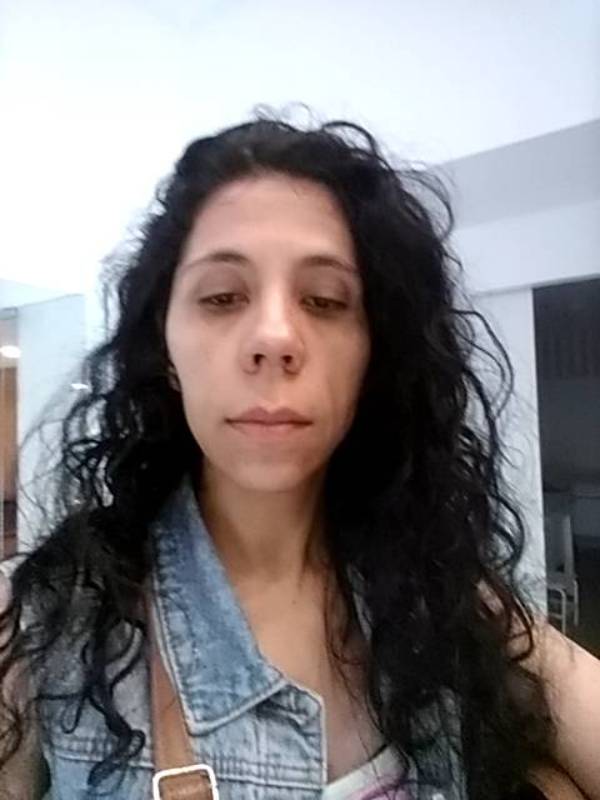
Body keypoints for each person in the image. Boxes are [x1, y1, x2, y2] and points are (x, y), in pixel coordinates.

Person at [0, 115, 599, 800]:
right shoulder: (41, 624)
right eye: (222, 297)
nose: (276, 336)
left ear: (373, 356)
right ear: (165, 350)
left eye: (324, 300)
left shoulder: (444, 594)